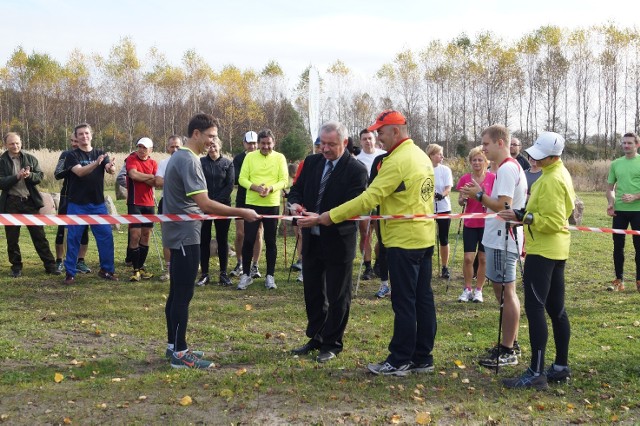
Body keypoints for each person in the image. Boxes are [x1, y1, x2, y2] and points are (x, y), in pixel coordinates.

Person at [302, 110, 437, 376]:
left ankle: (400, 359)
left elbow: (368, 199)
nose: (378, 137)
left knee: (404, 302)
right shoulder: (420, 155)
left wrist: (329, 216)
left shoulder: (398, 160)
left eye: (381, 132)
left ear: (395, 131)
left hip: (403, 240)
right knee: (423, 299)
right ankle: (423, 356)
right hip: (423, 237)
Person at [162, 113, 259, 369]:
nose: (213, 141)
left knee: (176, 293)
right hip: (186, 235)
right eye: (210, 136)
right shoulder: (189, 160)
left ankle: (174, 345)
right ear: (196, 133)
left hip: (179, 232)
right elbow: (204, 203)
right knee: (183, 294)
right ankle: (180, 353)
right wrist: (242, 211)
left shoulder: (180, 157)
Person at [500, 131, 575, 389]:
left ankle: (537, 372)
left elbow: (554, 220)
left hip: (544, 252)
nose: (533, 159)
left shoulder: (552, 180)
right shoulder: (557, 173)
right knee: (556, 309)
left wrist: (524, 218)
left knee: (537, 309)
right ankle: (560, 366)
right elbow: (557, 212)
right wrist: (523, 213)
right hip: (556, 250)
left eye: (539, 156)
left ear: (553, 157)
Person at [288, 121, 367, 362]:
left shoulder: (357, 170)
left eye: (331, 144)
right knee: (312, 292)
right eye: (322, 143)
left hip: (338, 241)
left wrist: (322, 219)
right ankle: (317, 337)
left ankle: (332, 343)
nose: (325, 149)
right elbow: (296, 190)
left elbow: (352, 205)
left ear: (344, 143)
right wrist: (295, 205)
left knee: (337, 295)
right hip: (312, 241)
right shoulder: (311, 163)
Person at [460, 124, 527, 369]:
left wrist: (478, 195)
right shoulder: (506, 168)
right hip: (500, 237)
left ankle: (508, 349)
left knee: (506, 292)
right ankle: (511, 342)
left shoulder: (508, 169)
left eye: (486, 144)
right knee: (502, 291)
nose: (484, 148)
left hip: (503, 237)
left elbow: (503, 206)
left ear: (500, 143)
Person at [62, 123, 118, 284]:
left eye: (86, 133)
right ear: (76, 137)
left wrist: (111, 166)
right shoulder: (72, 156)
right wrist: (96, 163)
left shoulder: (100, 153)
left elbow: (109, 168)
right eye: (80, 134)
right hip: (77, 204)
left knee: (106, 237)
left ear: (91, 135)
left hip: (98, 205)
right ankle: (70, 273)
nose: (84, 136)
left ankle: (107, 270)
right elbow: (79, 172)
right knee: (73, 239)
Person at [0, 132, 59, 277]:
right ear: (5, 145)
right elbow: (1, 182)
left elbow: (39, 176)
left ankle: (50, 266)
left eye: (17, 143)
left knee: (39, 236)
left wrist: (30, 175)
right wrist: (17, 177)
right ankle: (16, 267)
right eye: (12, 144)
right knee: (12, 238)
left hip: (30, 202)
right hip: (11, 203)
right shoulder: (1, 161)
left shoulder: (30, 158)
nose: (15, 146)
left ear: (21, 143)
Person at [237, 129, 288, 290]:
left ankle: (270, 276)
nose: (266, 146)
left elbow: (284, 181)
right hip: (252, 203)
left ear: (274, 143)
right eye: (263, 143)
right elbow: (242, 179)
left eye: (269, 143)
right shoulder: (250, 157)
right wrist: (255, 188)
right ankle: (246, 275)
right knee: (249, 239)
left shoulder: (280, 157)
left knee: (271, 240)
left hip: (272, 204)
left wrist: (271, 188)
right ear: (258, 143)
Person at [455, 146, 495, 303]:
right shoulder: (465, 179)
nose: (477, 163)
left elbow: (495, 200)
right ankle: (467, 288)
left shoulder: (492, 178)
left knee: (483, 259)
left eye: (480, 160)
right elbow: (460, 200)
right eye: (474, 160)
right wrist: (463, 199)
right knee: (467, 258)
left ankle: (479, 290)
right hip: (470, 223)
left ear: (486, 162)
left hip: (487, 224)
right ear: (470, 162)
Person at [196, 137, 234, 287]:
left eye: (214, 145)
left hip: (222, 207)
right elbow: (197, 182)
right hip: (203, 207)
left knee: (222, 240)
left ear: (220, 146)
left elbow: (230, 185)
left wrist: (215, 202)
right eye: (210, 146)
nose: (212, 148)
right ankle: (204, 274)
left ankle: (223, 274)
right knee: (204, 240)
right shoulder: (200, 163)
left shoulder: (228, 163)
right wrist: (206, 202)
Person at [606, 132, 640, 292]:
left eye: (630, 143)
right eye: (624, 143)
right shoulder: (615, 164)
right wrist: (611, 203)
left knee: (638, 246)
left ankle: (639, 280)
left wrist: (635, 196)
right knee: (617, 246)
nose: (626, 146)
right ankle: (619, 279)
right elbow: (609, 188)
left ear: (637, 145)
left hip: (638, 211)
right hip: (619, 211)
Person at [54, 134, 91, 274]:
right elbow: (57, 174)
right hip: (67, 196)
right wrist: (71, 167)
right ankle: (59, 261)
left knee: (83, 229)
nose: (75, 144)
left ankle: (80, 261)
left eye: (77, 141)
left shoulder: (88, 154)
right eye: (72, 141)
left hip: (84, 196)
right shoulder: (66, 154)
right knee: (62, 229)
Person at [289, 137, 323, 283]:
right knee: (301, 236)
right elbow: (297, 185)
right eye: (319, 146)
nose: (322, 149)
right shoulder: (307, 162)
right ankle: (303, 265)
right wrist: (295, 203)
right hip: (305, 209)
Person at [231, 131, 263, 279]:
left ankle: (255, 265)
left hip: (259, 199)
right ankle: (240, 262)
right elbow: (237, 178)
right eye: (249, 143)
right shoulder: (238, 158)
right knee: (240, 233)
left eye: (254, 143)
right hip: (243, 199)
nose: (252, 146)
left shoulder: (263, 157)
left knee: (257, 233)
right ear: (244, 143)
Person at [125, 137, 158, 281]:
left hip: (149, 204)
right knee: (134, 236)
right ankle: (135, 270)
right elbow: (133, 175)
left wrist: (145, 177)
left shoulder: (153, 163)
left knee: (146, 236)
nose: (141, 150)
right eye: (139, 146)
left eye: (144, 148)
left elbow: (156, 181)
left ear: (150, 150)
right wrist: (150, 177)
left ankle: (142, 267)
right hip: (134, 203)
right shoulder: (131, 159)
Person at [355, 129, 386, 280]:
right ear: (360, 141)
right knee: (365, 234)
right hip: (364, 201)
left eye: (370, 138)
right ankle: (367, 267)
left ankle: (379, 262)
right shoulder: (356, 159)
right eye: (364, 139)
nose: (367, 141)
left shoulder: (384, 155)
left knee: (382, 236)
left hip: (382, 201)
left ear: (375, 140)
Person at [154, 135, 183, 281]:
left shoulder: (188, 162)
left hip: (184, 205)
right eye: (172, 146)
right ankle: (169, 269)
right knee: (168, 238)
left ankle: (184, 267)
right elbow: (158, 181)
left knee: (185, 237)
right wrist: (177, 183)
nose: (175, 149)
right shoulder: (164, 163)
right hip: (166, 203)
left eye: (177, 146)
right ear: (167, 148)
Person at [427, 143, 453, 279]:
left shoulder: (445, 170)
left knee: (444, 238)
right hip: (428, 209)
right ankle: (427, 265)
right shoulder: (424, 169)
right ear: (431, 155)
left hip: (444, 208)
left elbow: (449, 187)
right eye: (439, 154)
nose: (442, 156)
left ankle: (444, 267)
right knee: (428, 239)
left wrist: (442, 194)